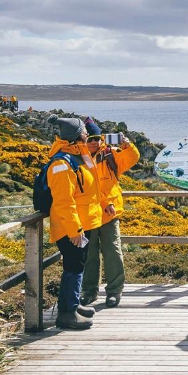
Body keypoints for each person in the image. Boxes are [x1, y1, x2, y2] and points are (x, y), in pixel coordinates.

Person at [46, 115, 115, 329]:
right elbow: (64, 202)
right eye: (84, 132)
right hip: (71, 228)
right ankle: (66, 314)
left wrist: (104, 203)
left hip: (83, 224)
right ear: (76, 136)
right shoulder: (61, 164)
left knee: (77, 267)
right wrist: (75, 230)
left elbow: (90, 190)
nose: (88, 134)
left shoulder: (78, 156)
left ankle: (73, 306)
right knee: (73, 268)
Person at [80, 118, 140, 308]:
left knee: (113, 251)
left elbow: (132, 158)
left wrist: (127, 146)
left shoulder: (110, 155)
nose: (94, 142)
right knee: (89, 255)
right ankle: (89, 292)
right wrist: (104, 201)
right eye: (90, 139)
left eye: (97, 138)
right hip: (89, 214)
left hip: (109, 215)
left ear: (102, 139)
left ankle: (114, 291)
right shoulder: (77, 159)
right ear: (84, 140)